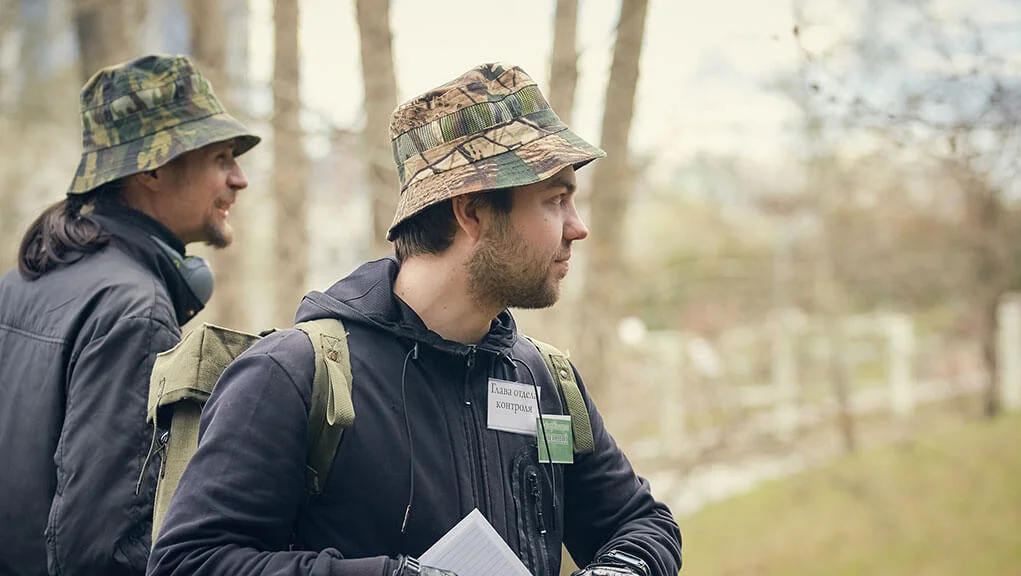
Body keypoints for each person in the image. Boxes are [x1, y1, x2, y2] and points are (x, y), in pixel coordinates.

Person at [148, 62, 682, 576]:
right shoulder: (294, 376)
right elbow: (189, 562)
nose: (577, 227)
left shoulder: (546, 382)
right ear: (471, 212)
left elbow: (643, 525)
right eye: (555, 200)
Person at [0, 54, 260, 576]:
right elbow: (106, 549)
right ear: (152, 169)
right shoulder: (135, 312)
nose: (239, 179)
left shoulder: (25, 278)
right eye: (221, 158)